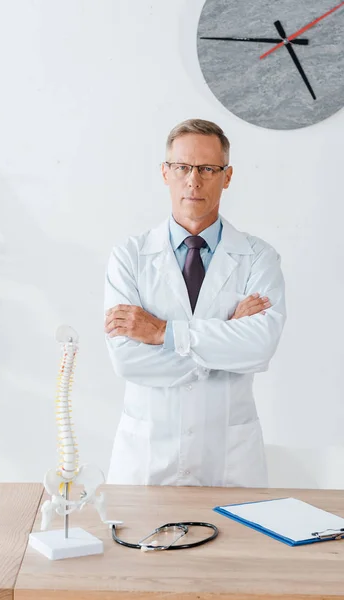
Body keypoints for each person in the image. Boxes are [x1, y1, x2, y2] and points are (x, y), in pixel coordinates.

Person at [104, 118, 286, 487]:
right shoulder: (130, 256)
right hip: (147, 459)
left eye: (207, 169)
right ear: (165, 172)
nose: (194, 180)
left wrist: (162, 333)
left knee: (238, 544)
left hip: (228, 460)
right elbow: (127, 360)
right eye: (183, 167)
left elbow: (259, 348)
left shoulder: (258, 257)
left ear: (227, 176)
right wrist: (226, 339)